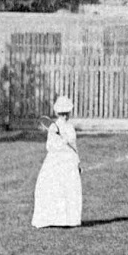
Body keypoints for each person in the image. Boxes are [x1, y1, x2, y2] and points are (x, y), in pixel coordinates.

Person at [32, 96, 84, 228]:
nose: (65, 116)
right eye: (63, 113)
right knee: (53, 188)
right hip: (56, 161)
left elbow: (72, 147)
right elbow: (50, 147)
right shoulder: (54, 127)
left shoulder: (70, 129)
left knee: (66, 189)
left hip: (67, 162)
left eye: (65, 113)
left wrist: (77, 161)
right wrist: (61, 141)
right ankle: (53, 219)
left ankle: (68, 220)